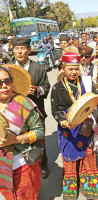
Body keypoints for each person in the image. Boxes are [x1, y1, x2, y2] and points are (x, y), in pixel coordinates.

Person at [51, 52, 98, 200]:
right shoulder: (57, 88)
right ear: (63, 69)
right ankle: (71, 191)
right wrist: (63, 122)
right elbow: (55, 110)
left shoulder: (86, 82)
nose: (74, 72)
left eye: (76, 68)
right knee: (70, 158)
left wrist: (96, 99)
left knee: (88, 157)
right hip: (68, 129)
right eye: (70, 69)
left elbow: (92, 98)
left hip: (85, 125)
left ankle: (89, 188)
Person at [0, 66, 44, 199]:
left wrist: (16, 140)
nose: (4, 86)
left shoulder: (23, 103)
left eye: (7, 81)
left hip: (20, 162)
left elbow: (39, 131)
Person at [10, 37, 50, 179]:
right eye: (16, 49)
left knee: (39, 140)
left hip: (34, 111)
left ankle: (43, 164)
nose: (19, 52)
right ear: (13, 50)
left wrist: (37, 90)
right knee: (16, 140)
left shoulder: (38, 68)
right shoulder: (8, 68)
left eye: (22, 48)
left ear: (28, 50)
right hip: (13, 112)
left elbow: (46, 87)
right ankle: (18, 168)